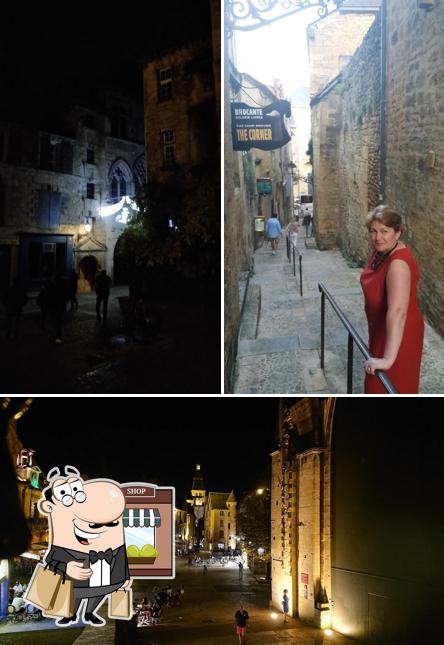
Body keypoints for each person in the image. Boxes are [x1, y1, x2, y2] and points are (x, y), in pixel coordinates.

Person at [360, 205, 424, 393]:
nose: (378, 237)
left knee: (384, 386)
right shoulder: (382, 251)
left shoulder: (397, 265)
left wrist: (388, 359)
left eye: (384, 231)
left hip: (399, 334)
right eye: (373, 231)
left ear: (398, 233)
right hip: (382, 328)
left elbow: (397, 311)